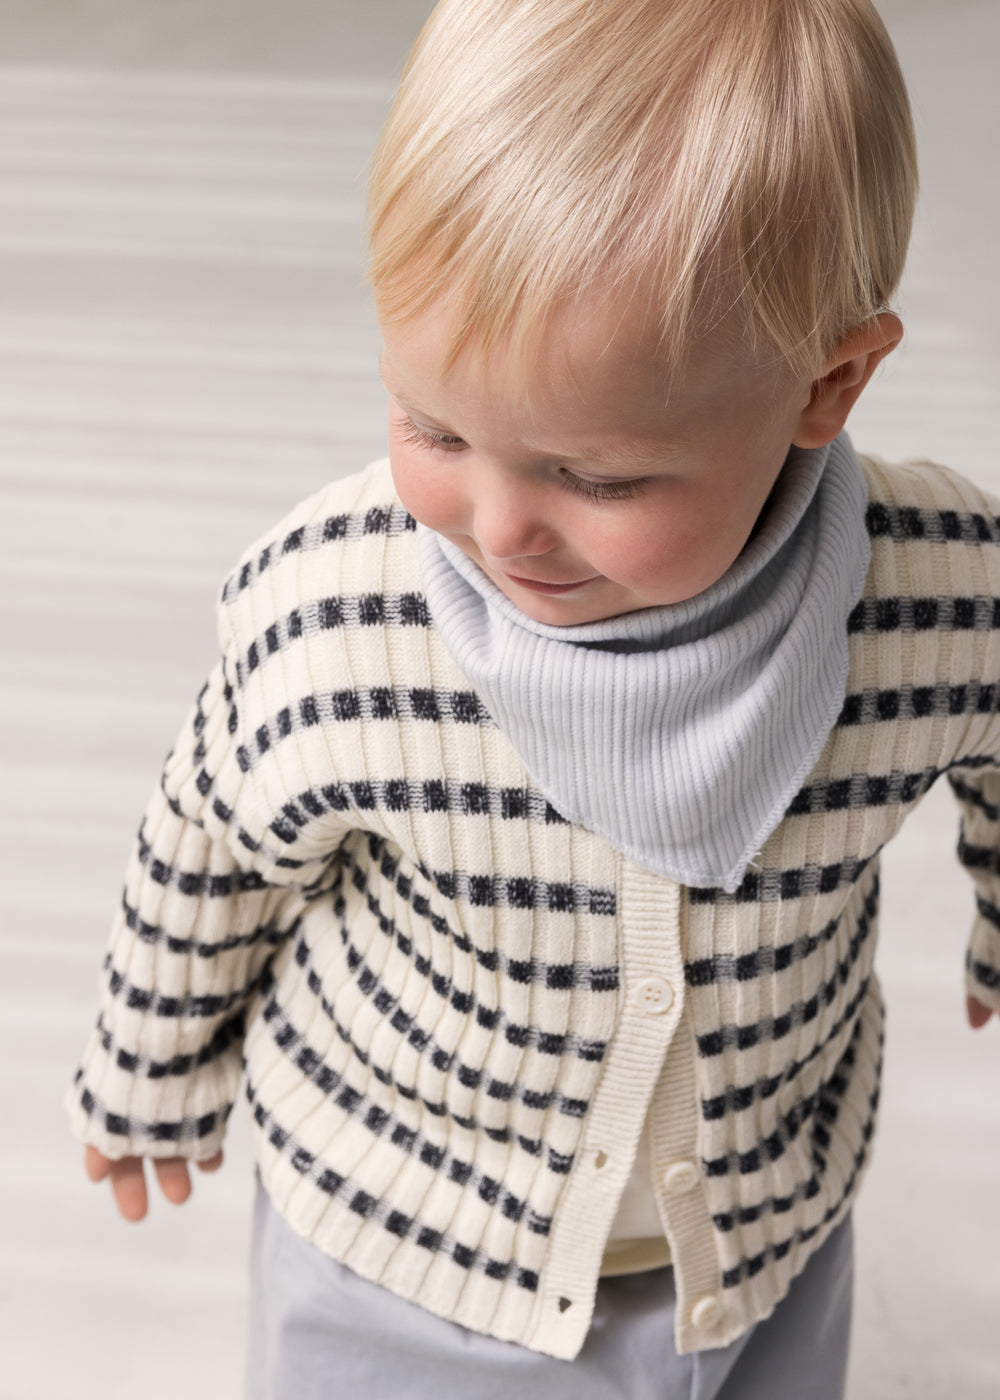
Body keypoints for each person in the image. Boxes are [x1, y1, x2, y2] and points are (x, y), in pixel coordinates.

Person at [67, 0, 1000, 1395]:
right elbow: (208, 842)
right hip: (404, 1253)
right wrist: (152, 1059)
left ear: (830, 381)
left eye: (599, 476)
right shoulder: (342, 616)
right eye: (433, 427)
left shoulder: (932, 596)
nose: (497, 527)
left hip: (758, 1243)